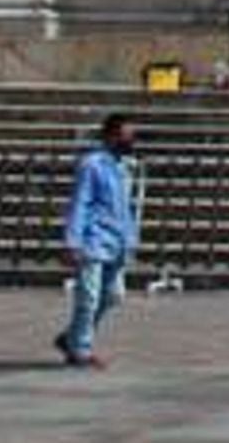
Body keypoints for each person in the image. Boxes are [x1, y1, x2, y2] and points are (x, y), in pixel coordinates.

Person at [55, 112, 139, 369]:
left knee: (113, 295)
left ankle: (71, 337)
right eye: (127, 135)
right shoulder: (92, 164)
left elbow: (126, 207)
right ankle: (81, 349)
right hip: (93, 238)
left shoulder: (126, 167)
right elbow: (80, 203)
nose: (131, 140)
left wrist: (131, 239)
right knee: (89, 297)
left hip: (117, 240)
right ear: (112, 136)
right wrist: (73, 242)